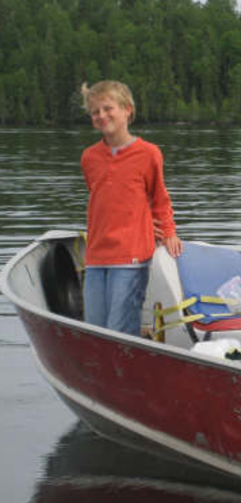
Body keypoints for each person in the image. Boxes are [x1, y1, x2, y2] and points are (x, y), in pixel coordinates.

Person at [80, 80, 183, 336]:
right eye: (95, 112)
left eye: (107, 108)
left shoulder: (149, 154)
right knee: (94, 328)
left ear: (127, 110)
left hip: (130, 258)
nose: (101, 116)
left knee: (119, 330)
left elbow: (159, 199)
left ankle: (123, 370)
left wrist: (168, 231)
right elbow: (103, 199)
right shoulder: (89, 157)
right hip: (95, 257)